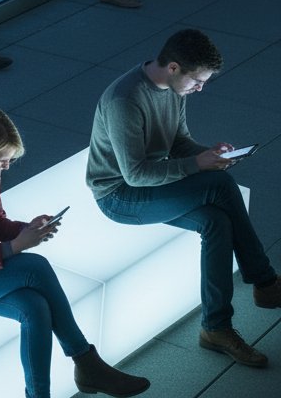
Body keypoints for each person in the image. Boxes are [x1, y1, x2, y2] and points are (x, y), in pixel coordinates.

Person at [0, 109, 150, 398]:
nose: (7, 166)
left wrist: (26, 229)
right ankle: (86, 362)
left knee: (35, 307)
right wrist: (19, 245)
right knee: (35, 267)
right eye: (2, 158)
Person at [88, 28, 281, 368]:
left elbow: (178, 142)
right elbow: (134, 174)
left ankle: (216, 328)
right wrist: (199, 165)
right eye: (197, 81)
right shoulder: (125, 100)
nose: (200, 88)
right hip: (119, 195)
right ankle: (265, 281)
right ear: (174, 68)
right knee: (220, 185)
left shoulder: (175, 89)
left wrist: (208, 153)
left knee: (217, 221)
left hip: (149, 184)